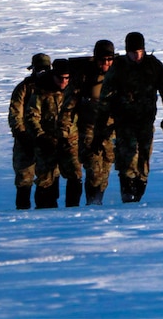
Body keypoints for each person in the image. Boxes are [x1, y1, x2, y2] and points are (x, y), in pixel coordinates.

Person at [96, 32, 163, 203]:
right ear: (127, 52)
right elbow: (105, 97)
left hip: (146, 121)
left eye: (140, 51)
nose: (137, 56)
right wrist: (101, 126)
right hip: (124, 121)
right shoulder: (118, 67)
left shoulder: (153, 65)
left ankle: (138, 191)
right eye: (133, 52)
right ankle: (128, 196)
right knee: (127, 159)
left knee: (144, 160)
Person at [60, 39, 117, 205]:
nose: (106, 63)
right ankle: (92, 203)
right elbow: (68, 106)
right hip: (88, 129)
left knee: (105, 169)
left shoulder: (118, 74)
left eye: (109, 59)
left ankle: (97, 201)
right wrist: (64, 130)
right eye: (102, 60)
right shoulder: (84, 77)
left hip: (110, 130)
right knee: (93, 170)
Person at [29, 59, 83, 208]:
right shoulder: (41, 92)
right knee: (46, 179)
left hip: (69, 140)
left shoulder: (75, 91)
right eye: (61, 78)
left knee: (75, 174)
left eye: (67, 78)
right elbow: (32, 116)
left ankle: (72, 209)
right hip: (47, 141)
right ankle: (45, 210)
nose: (64, 81)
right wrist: (40, 136)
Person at [8, 53, 51, 210]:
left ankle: (44, 211)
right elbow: (15, 114)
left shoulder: (52, 86)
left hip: (46, 139)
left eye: (45, 69)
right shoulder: (23, 88)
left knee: (47, 178)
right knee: (24, 178)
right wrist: (22, 135)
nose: (42, 73)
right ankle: (22, 211)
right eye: (39, 69)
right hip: (25, 139)